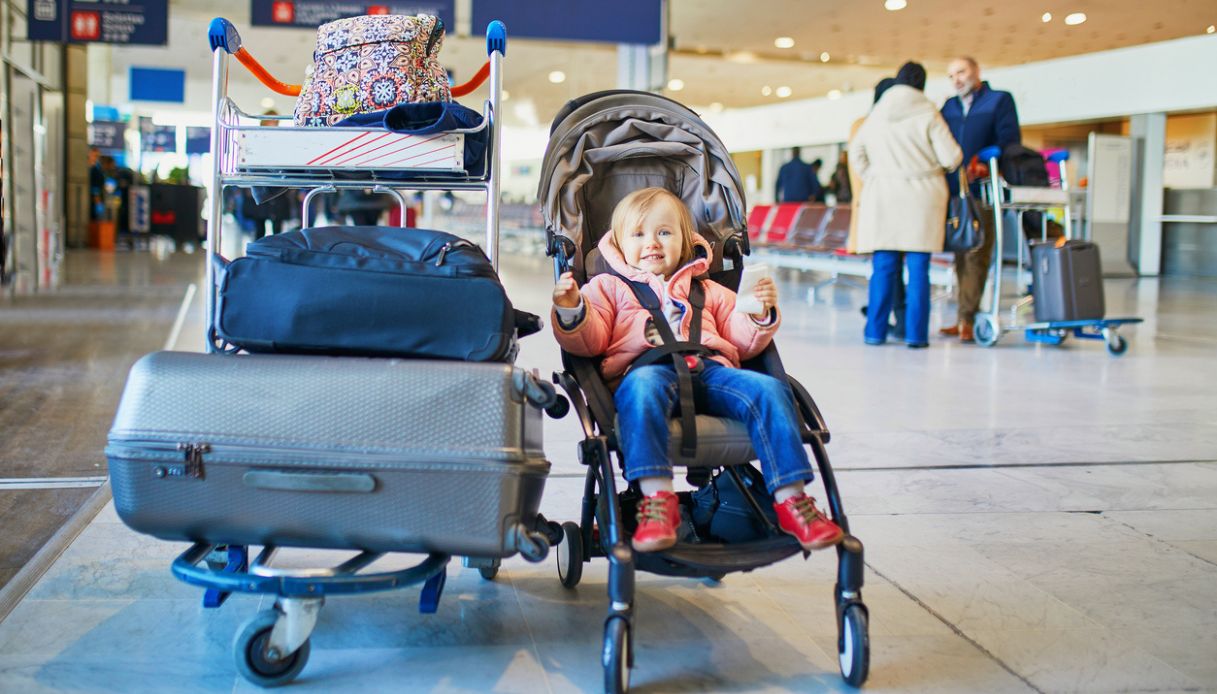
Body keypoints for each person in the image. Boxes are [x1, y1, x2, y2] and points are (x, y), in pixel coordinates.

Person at [551, 187, 844, 553]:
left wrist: (756, 312)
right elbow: (590, 342)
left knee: (770, 389)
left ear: (686, 241)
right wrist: (571, 309)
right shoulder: (607, 288)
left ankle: (791, 500)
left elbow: (742, 342)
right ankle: (657, 502)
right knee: (642, 386)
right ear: (617, 245)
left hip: (710, 370)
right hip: (646, 373)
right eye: (638, 234)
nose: (652, 243)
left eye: (664, 232)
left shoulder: (708, 290)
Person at [849, 62, 963, 348]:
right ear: (921, 85)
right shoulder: (928, 112)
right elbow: (952, 157)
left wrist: (874, 176)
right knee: (919, 269)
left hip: (882, 195)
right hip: (922, 197)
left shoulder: (877, 114)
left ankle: (874, 333)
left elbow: (857, 153)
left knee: (884, 266)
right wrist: (929, 165)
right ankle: (916, 335)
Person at [939, 56, 1021, 342]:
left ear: (976, 72)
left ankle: (968, 318)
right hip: (953, 192)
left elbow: (1010, 140)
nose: (956, 79)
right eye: (951, 75)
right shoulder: (948, 107)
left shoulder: (998, 101)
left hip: (983, 189)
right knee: (961, 254)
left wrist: (988, 161)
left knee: (977, 253)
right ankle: (964, 316)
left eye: (961, 72)